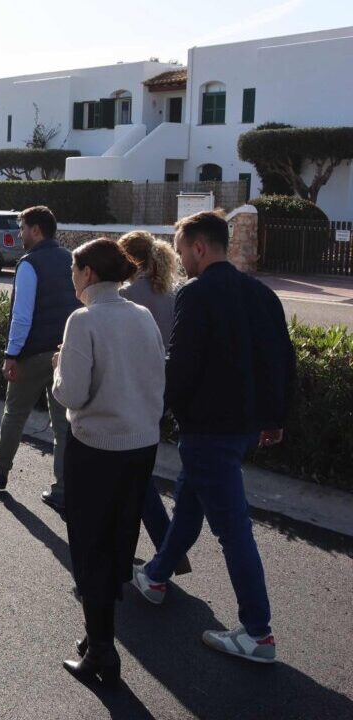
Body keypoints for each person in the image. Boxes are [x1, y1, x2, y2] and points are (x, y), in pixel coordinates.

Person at [132, 211, 296, 664]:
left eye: (182, 249)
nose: (180, 258)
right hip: (243, 430)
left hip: (209, 431)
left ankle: (258, 633)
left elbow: (181, 366)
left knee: (233, 529)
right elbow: (281, 360)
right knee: (189, 502)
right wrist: (275, 417)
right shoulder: (261, 293)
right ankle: (157, 576)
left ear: (200, 247)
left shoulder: (196, 294)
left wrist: (153, 410)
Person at [52, 238, 166, 685]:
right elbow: (158, 377)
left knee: (89, 546)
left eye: (75, 270)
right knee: (120, 539)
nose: (72, 279)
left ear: (90, 275)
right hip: (141, 445)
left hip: (96, 446)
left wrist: (60, 368)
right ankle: (97, 634)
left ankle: (102, 650)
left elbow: (72, 393)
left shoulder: (83, 320)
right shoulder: (142, 316)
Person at [0, 206, 80, 510]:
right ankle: (63, 490)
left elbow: (22, 316)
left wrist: (11, 355)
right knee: (62, 426)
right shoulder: (71, 259)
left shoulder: (29, 264)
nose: (20, 235)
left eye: (23, 228)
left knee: (15, 413)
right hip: (64, 353)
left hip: (32, 354)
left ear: (36, 230)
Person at [118, 231, 192, 576]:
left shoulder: (129, 295)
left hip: (137, 391)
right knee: (135, 470)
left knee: (132, 473)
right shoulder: (171, 291)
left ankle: (167, 550)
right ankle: (166, 550)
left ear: (129, 260)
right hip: (165, 390)